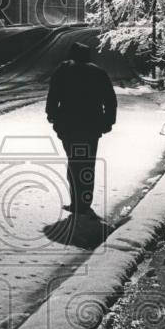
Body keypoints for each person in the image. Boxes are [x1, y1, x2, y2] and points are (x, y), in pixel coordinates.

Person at [46, 41, 117, 216]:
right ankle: (84, 202)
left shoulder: (62, 71)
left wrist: (53, 117)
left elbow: (53, 96)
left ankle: (76, 202)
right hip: (91, 126)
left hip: (68, 126)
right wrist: (107, 122)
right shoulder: (98, 72)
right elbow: (110, 100)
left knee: (74, 163)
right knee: (87, 163)